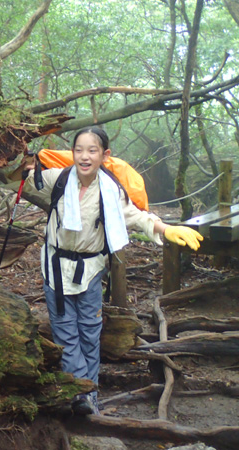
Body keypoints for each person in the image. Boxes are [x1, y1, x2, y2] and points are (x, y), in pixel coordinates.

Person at [20, 127, 202, 415]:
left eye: (92, 150)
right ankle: (83, 392)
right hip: (55, 268)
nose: (84, 156)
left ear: (104, 155)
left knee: (90, 333)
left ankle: (86, 393)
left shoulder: (111, 190)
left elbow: (137, 217)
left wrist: (167, 228)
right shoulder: (60, 178)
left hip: (90, 270)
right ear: (72, 152)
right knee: (65, 333)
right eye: (79, 149)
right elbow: (19, 178)